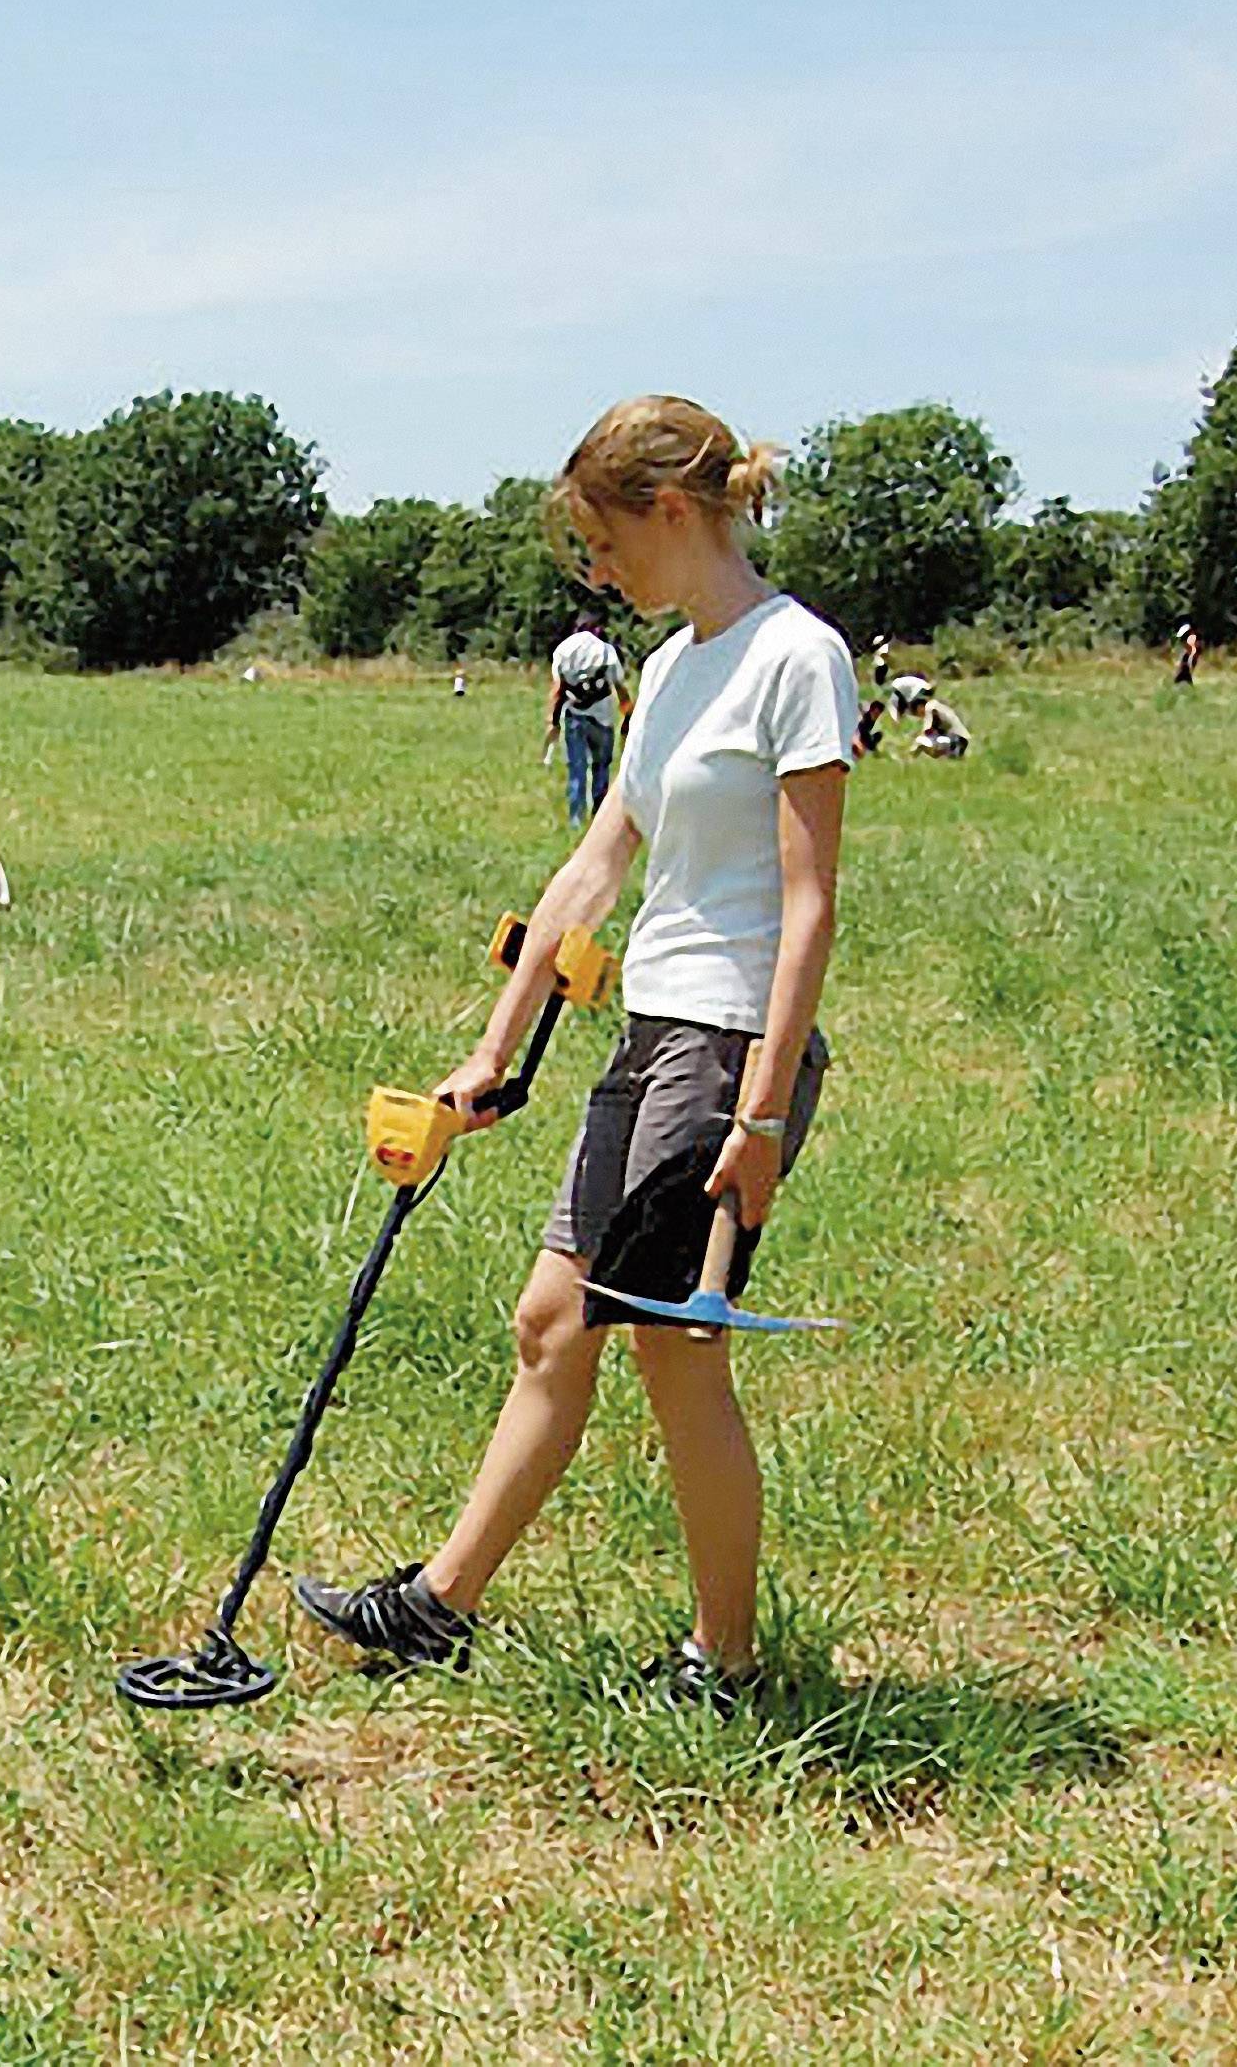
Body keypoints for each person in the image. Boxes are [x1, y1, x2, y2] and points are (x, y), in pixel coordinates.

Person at [296, 394, 854, 1711]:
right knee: (552, 1323)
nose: (597, 574)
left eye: (603, 544)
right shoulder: (666, 671)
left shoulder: (793, 656)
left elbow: (807, 900)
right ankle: (437, 1609)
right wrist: (490, 1046)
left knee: (672, 1348)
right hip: (650, 1031)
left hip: (726, 1046)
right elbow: (596, 863)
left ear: (670, 512)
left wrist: (760, 1117)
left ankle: (724, 1665)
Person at [546, 612, 626, 827]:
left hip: (575, 716)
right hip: (603, 717)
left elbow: (558, 689)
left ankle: (576, 820)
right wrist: (628, 716)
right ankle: (599, 817)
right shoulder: (606, 651)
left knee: (577, 769)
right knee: (601, 768)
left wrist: (552, 722)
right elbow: (619, 687)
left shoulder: (563, 650)